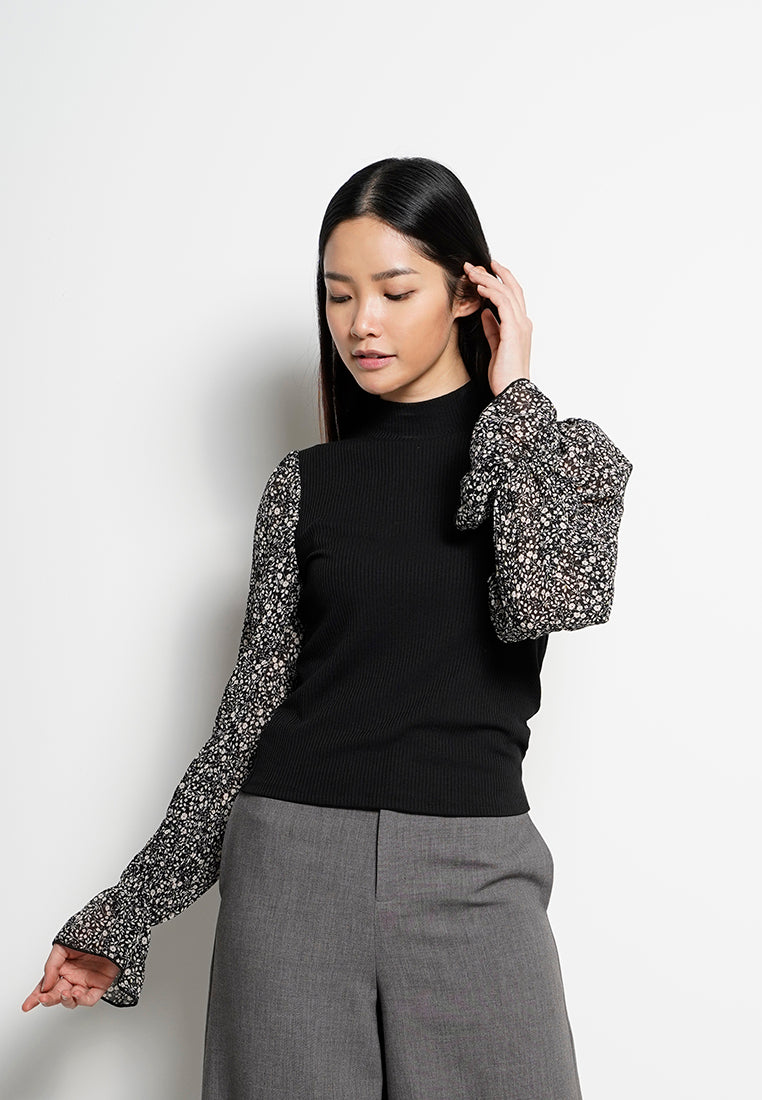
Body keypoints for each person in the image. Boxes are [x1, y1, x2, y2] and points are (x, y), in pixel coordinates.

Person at [22, 156, 633, 1099]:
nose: (361, 323)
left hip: (475, 871)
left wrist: (514, 396)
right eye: (338, 295)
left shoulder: (562, 457)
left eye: (395, 290)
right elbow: (248, 718)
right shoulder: (305, 486)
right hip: (291, 870)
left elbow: (547, 597)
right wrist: (127, 912)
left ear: (469, 294)